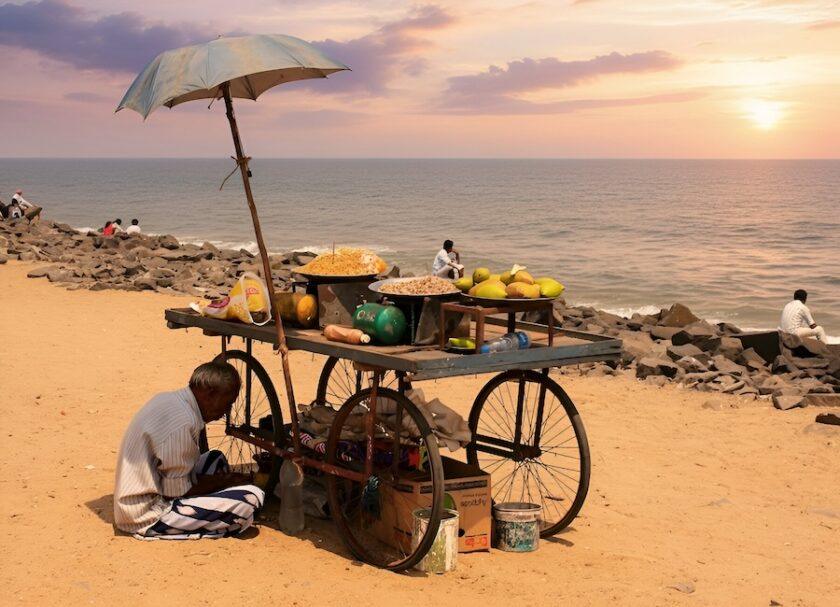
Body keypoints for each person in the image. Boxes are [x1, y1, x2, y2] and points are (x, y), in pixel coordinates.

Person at [113, 361, 265, 539]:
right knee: (251, 498)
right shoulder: (183, 422)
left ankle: (212, 501)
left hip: (156, 485)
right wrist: (225, 482)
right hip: (146, 513)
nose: (225, 412)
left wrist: (222, 481)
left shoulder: (171, 399)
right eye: (227, 403)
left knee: (215, 458)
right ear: (210, 393)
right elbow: (175, 492)